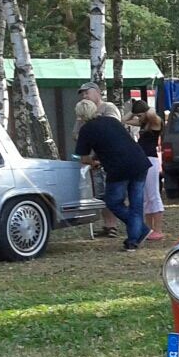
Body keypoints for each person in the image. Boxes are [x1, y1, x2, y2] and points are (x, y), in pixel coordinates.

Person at [75, 104, 152, 251]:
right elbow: (117, 142)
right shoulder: (112, 121)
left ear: (80, 116)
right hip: (139, 161)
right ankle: (134, 239)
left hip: (118, 167)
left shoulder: (85, 130)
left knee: (113, 202)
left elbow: (84, 159)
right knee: (136, 204)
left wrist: (94, 162)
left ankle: (139, 233)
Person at [76, 81, 122, 238]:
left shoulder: (108, 108)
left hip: (110, 158)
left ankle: (116, 225)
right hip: (93, 159)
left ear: (96, 92)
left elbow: (113, 128)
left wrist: (93, 121)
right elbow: (76, 135)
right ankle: (108, 226)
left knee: (113, 194)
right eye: (82, 94)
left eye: (86, 92)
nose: (84, 96)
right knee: (100, 194)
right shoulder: (82, 113)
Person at [126, 99, 165, 241]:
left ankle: (158, 229)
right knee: (146, 196)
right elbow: (123, 120)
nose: (138, 118)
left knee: (154, 194)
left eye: (140, 115)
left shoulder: (155, 122)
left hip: (151, 160)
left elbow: (152, 113)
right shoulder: (143, 123)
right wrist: (133, 111)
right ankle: (149, 228)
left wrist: (144, 109)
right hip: (143, 160)